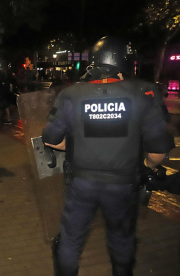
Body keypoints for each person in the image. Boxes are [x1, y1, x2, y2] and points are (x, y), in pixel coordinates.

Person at [42, 36, 175, 276]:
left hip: (81, 185)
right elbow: (157, 152)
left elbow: (51, 138)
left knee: (70, 241)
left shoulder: (71, 94)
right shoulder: (144, 92)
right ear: (124, 62)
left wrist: (75, 145)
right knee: (122, 241)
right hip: (123, 186)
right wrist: (144, 166)